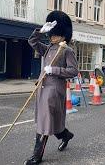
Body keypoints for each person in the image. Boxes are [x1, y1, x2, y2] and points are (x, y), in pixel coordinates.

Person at [25, 11, 78, 164]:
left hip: (54, 91)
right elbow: (32, 42)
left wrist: (53, 70)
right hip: (43, 89)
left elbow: (73, 71)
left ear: (63, 34)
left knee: (45, 122)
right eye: (51, 34)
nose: (52, 37)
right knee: (49, 121)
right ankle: (66, 135)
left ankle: (37, 156)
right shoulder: (48, 48)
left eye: (55, 34)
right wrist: (40, 31)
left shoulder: (67, 50)